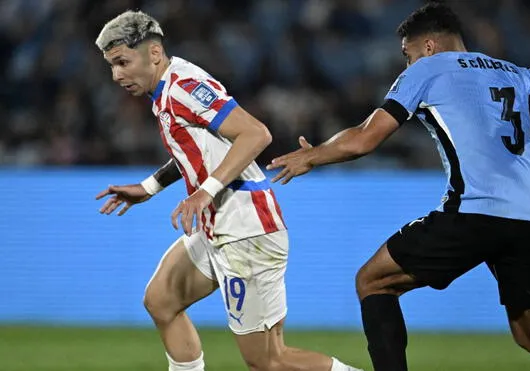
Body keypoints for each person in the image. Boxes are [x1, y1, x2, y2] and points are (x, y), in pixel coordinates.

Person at [267, 3, 530, 371]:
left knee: (373, 281)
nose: (407, 65)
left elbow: (364, 138)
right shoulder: (524, 75)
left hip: (474, 211)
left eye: (407, 55)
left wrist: (312, 157)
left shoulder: (427, 69)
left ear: (428, 46)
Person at [94, 10, 361, 371]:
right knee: (161, 300)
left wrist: (204, 192)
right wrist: (149, 187)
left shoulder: (183, 88)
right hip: (218, 225)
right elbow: (197, 153)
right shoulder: (165, 90)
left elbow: (255, 133)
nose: (117, 75)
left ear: (154, 53)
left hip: (245, 231)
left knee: (269, 362)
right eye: (112, 66)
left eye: (123, 62)